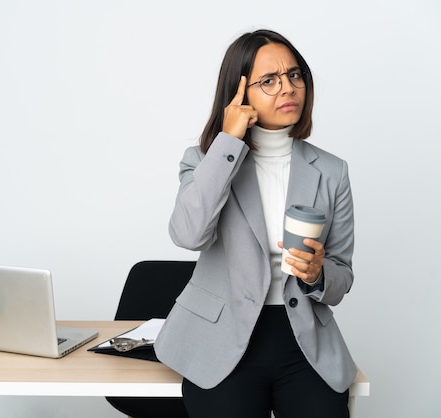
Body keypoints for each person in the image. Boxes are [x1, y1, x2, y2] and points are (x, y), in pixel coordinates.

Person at [154, 29, 357, 418]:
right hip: (221, 338)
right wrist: (229, 141)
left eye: (295, 75)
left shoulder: (332, 171)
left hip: (303, 339)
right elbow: (188, 234)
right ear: (238, 94)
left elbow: (342, 277)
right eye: (269, 81)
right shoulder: (205, 159)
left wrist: (317, 274)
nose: (288, 88)